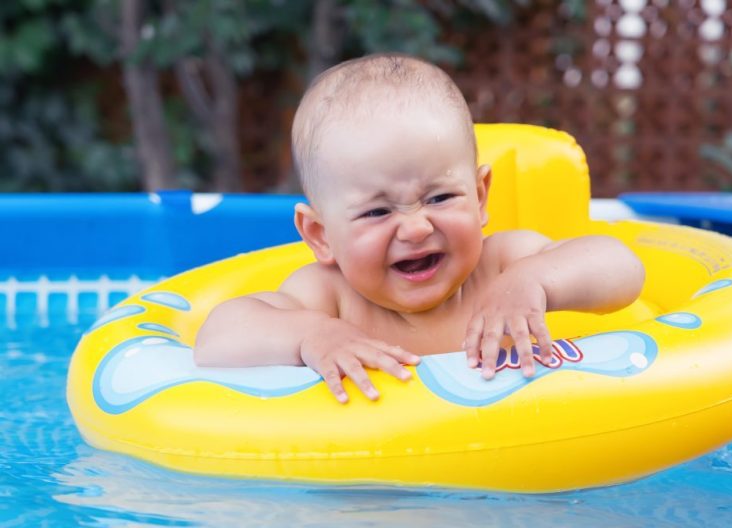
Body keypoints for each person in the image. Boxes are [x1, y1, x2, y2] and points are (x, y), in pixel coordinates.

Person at [194, 53, 645, 403]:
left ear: (481, 196)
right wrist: (314, 336)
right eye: (376, 212)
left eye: (440, 198)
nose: (414, 228)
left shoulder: (506, 263)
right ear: (321, 235)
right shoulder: (328, 298)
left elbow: (623, 268)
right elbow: (217, 339)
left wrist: (535, 281)